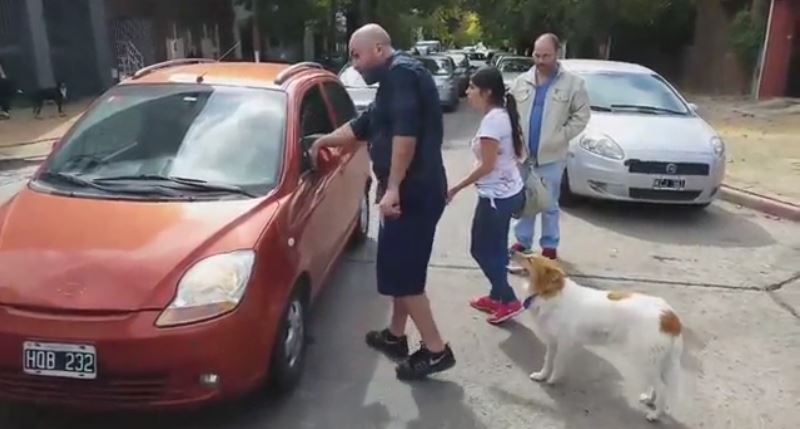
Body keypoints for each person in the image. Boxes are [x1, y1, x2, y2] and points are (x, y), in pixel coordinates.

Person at [310, 24, 455, 380]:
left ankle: (436, 350)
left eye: (356, 56)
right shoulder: (394, 79)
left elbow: (406, 137)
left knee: (404, 278)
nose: (354, 65)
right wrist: (323, 141)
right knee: (398, 270)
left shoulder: (401, 76)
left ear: (378, 48)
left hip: (412, 193)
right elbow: (364, 124)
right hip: (413, 190)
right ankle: (395, 336)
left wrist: (392, 188)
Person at [446, 67, 526, 324]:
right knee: (496, 249)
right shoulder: (501, 114)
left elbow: (487, 165)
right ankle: (496, 295)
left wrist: (456, 187)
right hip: (507, 192)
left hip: (496, 198)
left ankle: (509, 299)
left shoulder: (493, 121)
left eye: (471, 87)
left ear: (487, 91)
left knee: (481, 250)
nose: (467, 92)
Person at [507, 33, 590, 264]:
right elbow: (511, 114)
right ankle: (522, 242)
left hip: (551, 157)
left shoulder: (573, 84)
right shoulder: (521, 82)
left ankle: (549, 246)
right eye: (537, 55)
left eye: (546, 55)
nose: (541, 60)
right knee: (524, 201)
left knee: (549, 203)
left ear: (557, 54)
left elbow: (581, 116)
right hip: (523, 156)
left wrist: (560, 136)